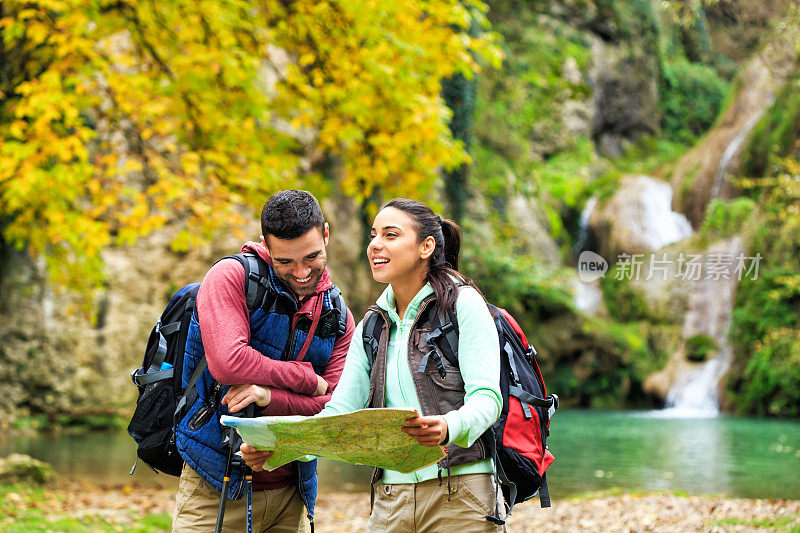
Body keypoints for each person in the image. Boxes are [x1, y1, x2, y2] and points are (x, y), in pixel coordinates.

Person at [242, 198, 504, 532]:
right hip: (389, 498)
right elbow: (338, 416)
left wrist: (448, 427)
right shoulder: (371, 325)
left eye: (391, 235)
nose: (375, 245)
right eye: (373, 235)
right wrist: (279, 447)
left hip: (461, 493)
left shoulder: (462, 305)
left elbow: (488, 399)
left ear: (426, 246)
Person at [172, 190, 355, 533]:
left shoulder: (339, 315)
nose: (301, 272)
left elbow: (336, 409)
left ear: (326, 234)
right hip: (217, 487)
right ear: (265, 245)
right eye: (285, 262)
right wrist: (305, 379)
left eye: (312, 257)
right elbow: (228, 363)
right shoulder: (231, 277)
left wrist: (268, 396)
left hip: (293, 493)